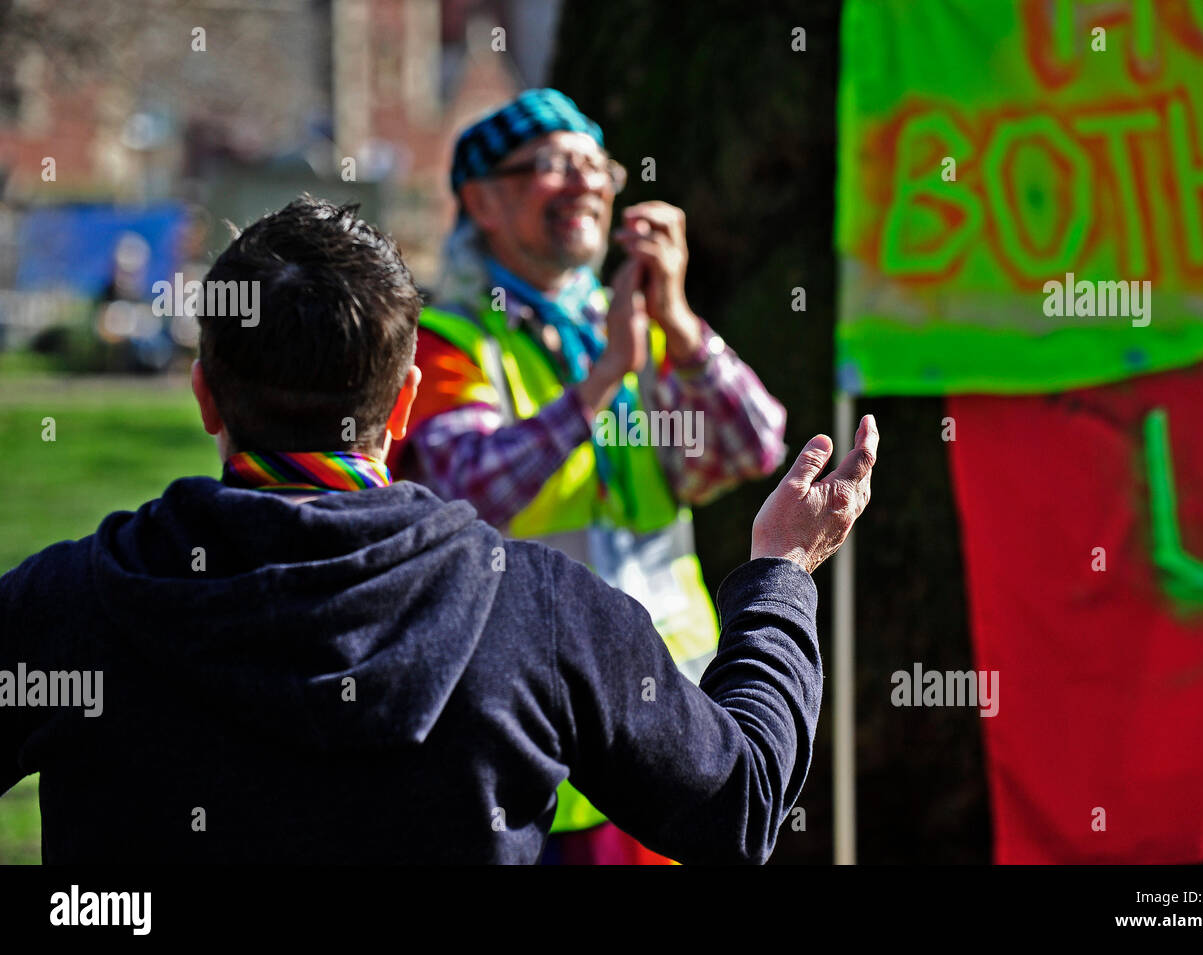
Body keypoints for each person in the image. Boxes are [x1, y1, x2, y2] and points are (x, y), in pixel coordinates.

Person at [0, 196, 880, 865]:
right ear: (406, 401)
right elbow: (738, 800)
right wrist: (783, 572)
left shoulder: (70, 602)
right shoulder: (538, 607)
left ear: (204, 395)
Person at [389, 88, 788, 863]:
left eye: (595, 166)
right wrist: (600, 383)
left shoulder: (631, 324)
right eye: (549, 165)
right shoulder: (449, 342)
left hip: (674, 728)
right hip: (535, 749)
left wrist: (678, 321)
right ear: (482, 201)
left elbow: (755, 445)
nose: (584, 184)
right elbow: (466, 489)